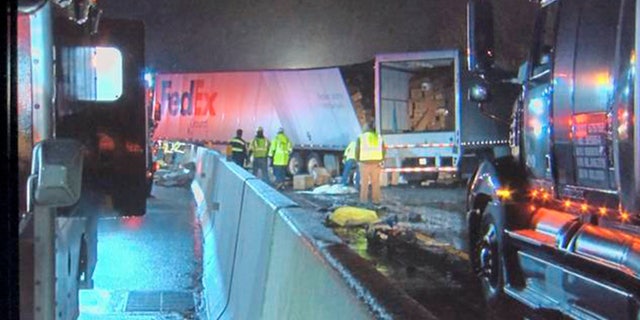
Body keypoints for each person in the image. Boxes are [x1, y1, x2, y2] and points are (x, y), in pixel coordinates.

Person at [355, 123, 385, 205]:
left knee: (364, 183)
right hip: (376, 163)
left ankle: (363, 201)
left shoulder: (361, 137)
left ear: (366, 128)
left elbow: (357, 150)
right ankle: (376, 200)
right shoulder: (378, 137)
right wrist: (381, 159)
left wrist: (357, 160)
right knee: (376, 183)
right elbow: (383, 150)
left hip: (364, 162)